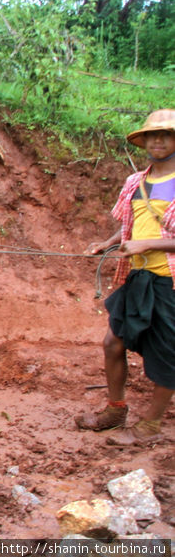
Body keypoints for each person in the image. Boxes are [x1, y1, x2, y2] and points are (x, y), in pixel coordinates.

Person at [77, 109, 175, 446]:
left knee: (167, 354)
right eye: (152, 135)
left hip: (169, 283)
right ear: (143, 141)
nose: (157, 141)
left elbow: (147, 237)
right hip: (138, 277)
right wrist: (107, 243)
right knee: (112, 342)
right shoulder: (136, 183)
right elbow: (130, 228)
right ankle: (116, 410)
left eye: (165, 135)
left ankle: (151, 424)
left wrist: (147, 244)